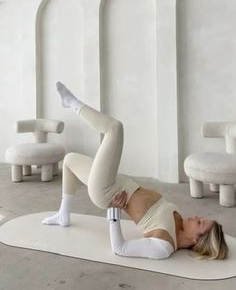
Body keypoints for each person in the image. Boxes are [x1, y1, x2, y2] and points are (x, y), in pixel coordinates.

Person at [42, 82, 228, 260]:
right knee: (69, 160)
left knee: (115, 128)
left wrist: (114, 211)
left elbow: (120, 248)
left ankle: (71, 103)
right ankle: (63, 215)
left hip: (107, 191)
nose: (197, 217)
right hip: (116, 181)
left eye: (201, 223)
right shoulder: (179, 221)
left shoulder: (163, 246)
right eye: (203, 218)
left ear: (197, 239)